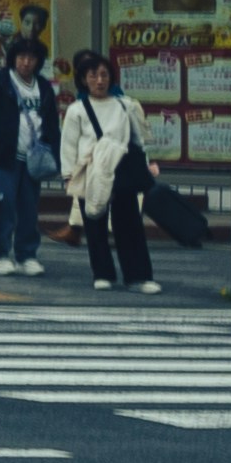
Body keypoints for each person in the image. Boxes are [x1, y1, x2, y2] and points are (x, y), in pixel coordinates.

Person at [0, 30, 55, 276]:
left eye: (31, 57)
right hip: (2, 157)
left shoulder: (44, 87)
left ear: (38, 61)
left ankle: (27, 255)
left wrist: (55, 152)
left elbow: (51, 123)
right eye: (21, 57)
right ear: (13, 58)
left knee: (29, 208)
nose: (26, 62)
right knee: (2, 207)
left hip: (33, 159)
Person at [67, 50, 156, 291]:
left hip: (122, 171)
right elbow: (69, 144)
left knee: (129, 225)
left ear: (111, 78)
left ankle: (138, 276)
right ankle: (102, 274)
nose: (99, 80)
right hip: (90, 171)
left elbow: (138, 140)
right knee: (94, 224)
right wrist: (69, 174)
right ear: (84, 79)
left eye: (104, 75)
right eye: (93, 75)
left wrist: (148, 164)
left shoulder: (125, 105)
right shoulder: (77, 109)